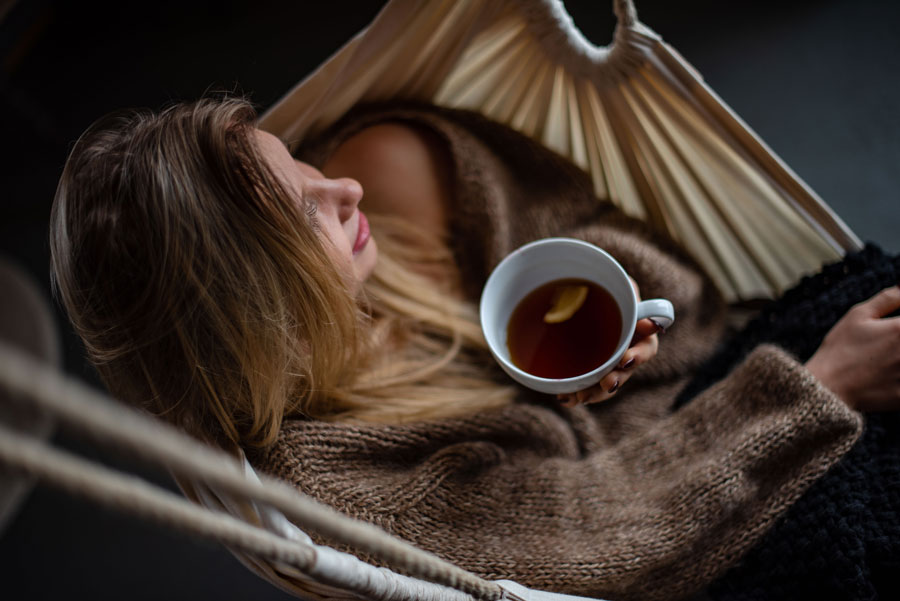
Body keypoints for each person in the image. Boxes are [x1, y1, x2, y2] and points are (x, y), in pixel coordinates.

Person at [49, 97, 900, 601]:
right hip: (682, 509)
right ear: (248, 310)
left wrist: (616, 328)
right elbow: (592, 545)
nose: (338, 188)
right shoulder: (329, 484)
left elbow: (692, 296)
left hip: (702, 407)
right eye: (300, 211)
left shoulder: (394, 182)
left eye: (299, 160)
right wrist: (819, 385)